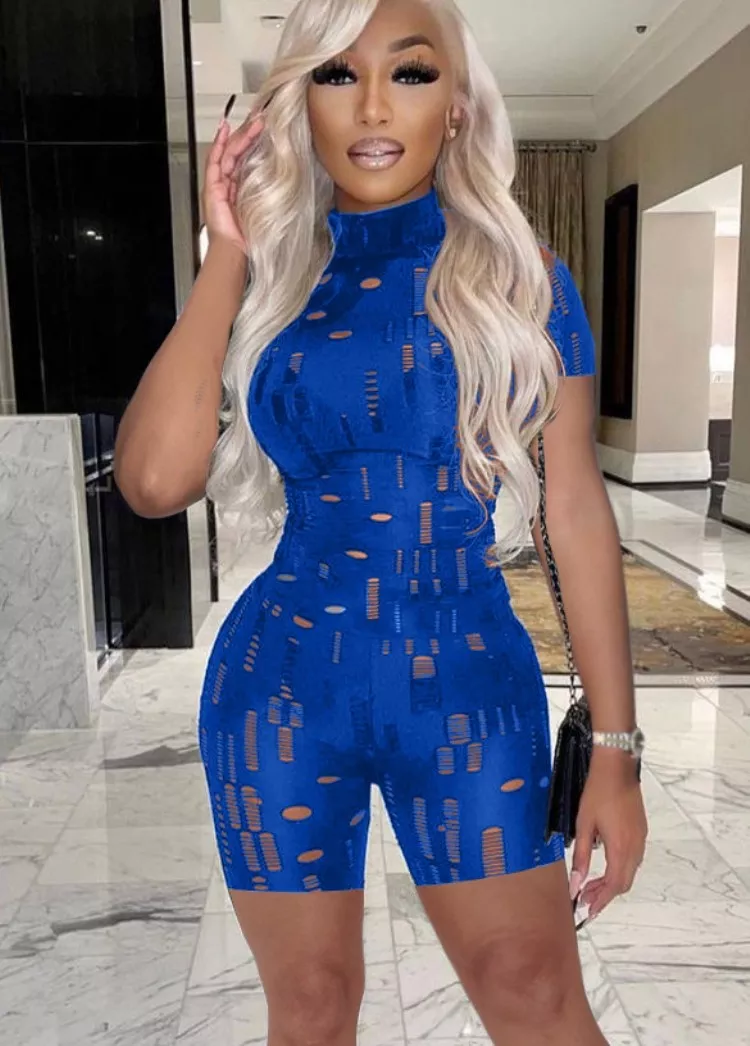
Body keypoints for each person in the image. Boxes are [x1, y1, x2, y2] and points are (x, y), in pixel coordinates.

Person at [114, 0, 648, 1043]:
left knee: (533, 991)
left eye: (408, 73)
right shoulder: (273, 277)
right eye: (334, 73)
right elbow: (152, 480)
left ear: (457, 104)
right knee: (311, 1008)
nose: (369, 106)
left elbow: (575, 508)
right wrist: (227, 253)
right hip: (278, 685)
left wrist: (617, 751)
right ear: (299, 104)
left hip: (468, 682)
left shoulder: (526, 278)